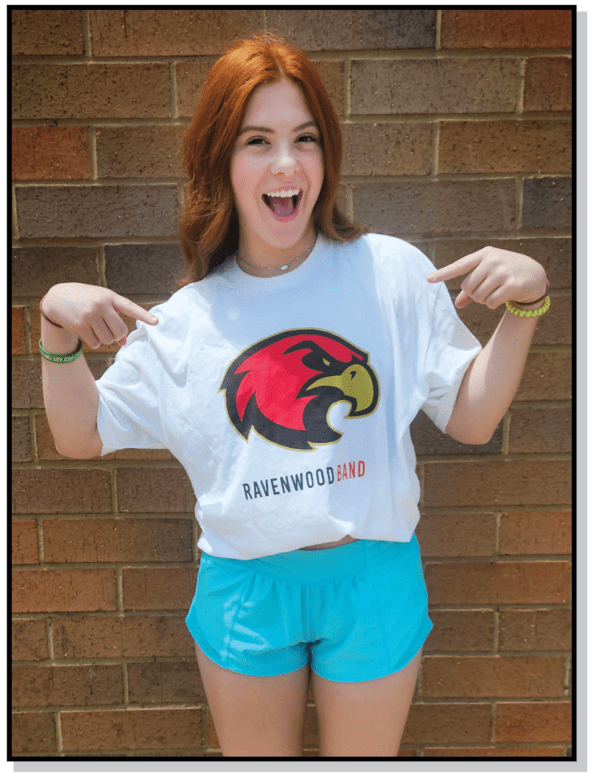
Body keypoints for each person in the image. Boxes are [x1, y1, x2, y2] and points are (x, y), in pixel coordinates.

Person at [39, 34, 551, 757]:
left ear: (326, 154)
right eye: (257, 140)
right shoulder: (185, 321)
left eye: (304, 138)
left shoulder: (392, 273)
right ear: (221, 159)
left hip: (372, 575)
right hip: (246, 590)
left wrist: (526, 307)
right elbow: (79, 434)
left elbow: (469, 417)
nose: (286, 164)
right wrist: (55, 328)